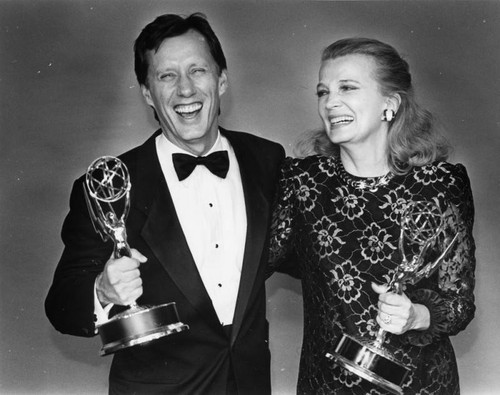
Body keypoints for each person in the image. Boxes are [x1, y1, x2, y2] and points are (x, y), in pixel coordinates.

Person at [45, 13, 285, 394]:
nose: (185, 90)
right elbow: (60, 306)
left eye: (197, 71)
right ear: (146, 93)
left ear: (221, 79)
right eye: (167, 76)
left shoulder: (268, 161)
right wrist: (102, 291)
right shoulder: (110, 183)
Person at [269, 38, 475, 394]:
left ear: (389, 104)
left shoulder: (440, 184)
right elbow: (251, 262)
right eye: (323, 92)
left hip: (420, 384)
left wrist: (416, 316)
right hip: (327, 386)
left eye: (347, 88)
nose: (330, 103)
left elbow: (459, 302)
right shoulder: (301, 183)